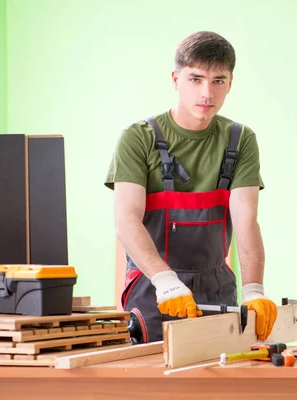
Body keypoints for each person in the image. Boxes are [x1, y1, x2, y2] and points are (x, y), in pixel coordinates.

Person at [104, 31, 277, 343]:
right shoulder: (138, 138)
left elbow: (246, 220)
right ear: (175, 79)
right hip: (153, 291)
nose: (207, 93)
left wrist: (254, 289)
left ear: (230, 83)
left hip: (217, 291)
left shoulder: (240, 141)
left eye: (218, 81)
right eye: (196, 79)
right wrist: (164, 279)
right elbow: (126, 221)